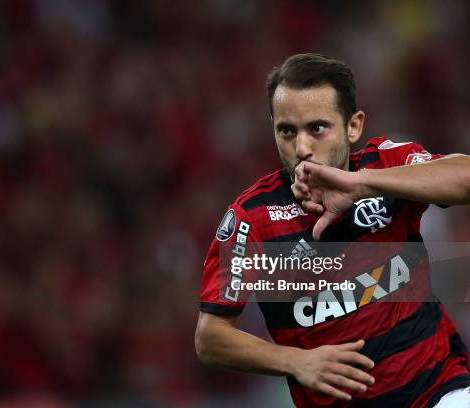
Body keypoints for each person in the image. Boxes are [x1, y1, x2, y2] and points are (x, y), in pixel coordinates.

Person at [195, 53, 470, 407]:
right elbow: (211, 337)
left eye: (317, 128)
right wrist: (295, 361)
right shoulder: (253, 218)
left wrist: (364, 184)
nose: (302, 148)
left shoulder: (385, 166)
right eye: (287, 131)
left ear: (353, 126)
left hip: (440, 393)